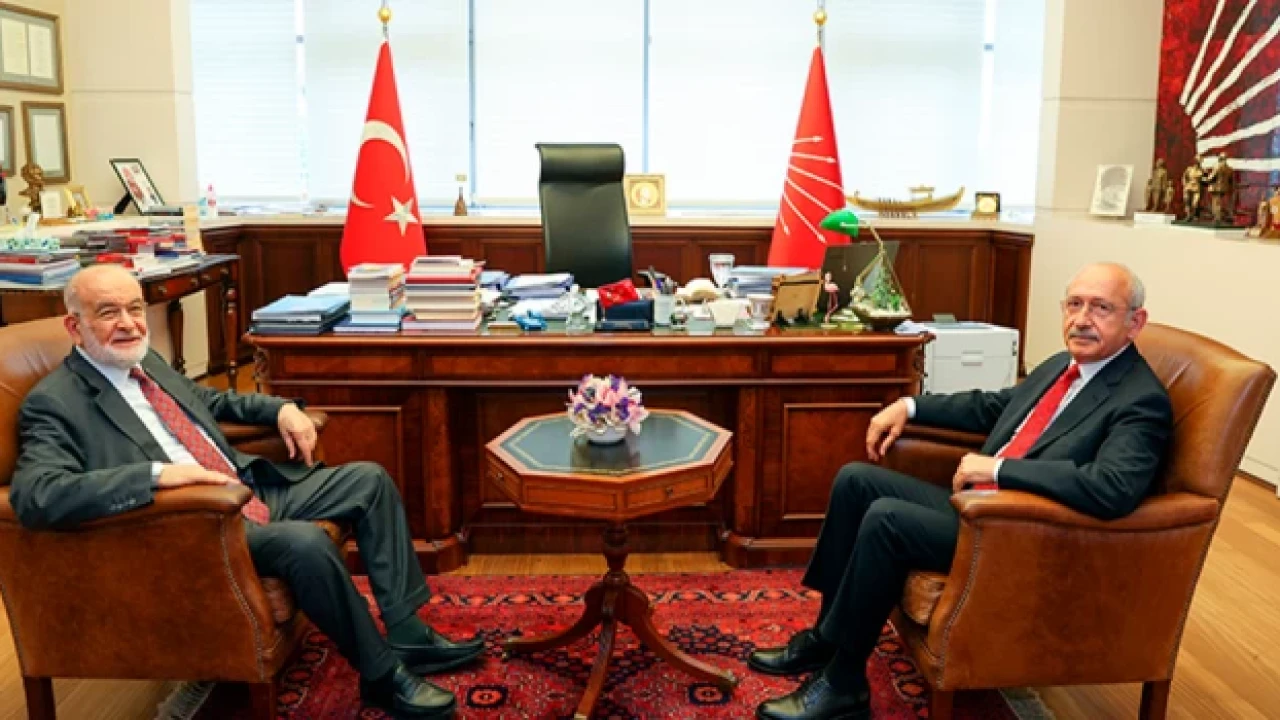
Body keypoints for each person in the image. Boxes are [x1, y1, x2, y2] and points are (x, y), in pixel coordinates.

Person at [10, 264, 482, 719]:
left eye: (135, 308)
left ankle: (407, 632)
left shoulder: (144, 361)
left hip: (244, 486)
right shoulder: (55, 403)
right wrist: (155, 476)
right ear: (75, 327)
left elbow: (209, 401)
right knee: (304, 542)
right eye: (109, 312)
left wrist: (280, 410)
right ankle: (381, 675)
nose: (130, 323)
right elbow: (36, 495)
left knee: (369, 481)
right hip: (194, 522)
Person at [748, 262, 1173, 720]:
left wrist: (1001, 469)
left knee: (888, 519)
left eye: (1101, 308)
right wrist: (909, 405)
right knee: (856, 480)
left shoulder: (1140, 399)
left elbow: (1112, 488)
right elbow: (994, 407)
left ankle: (844, 683)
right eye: (1074, 304)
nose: (1082, 319)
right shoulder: (1063, 364)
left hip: (1021, 530)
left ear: (1135, 322)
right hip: (978, 508)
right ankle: (826, 639)